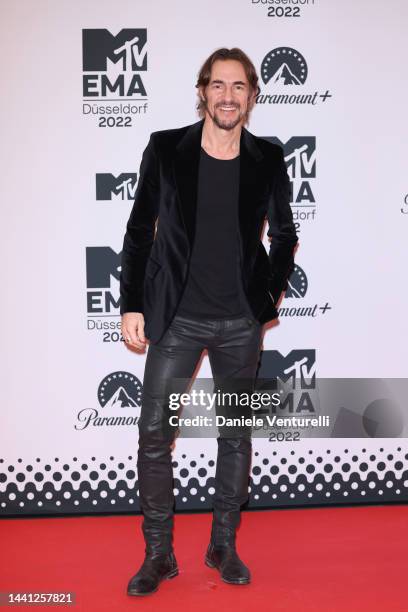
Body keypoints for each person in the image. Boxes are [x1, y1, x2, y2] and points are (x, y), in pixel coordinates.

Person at [120, 47, 298, 596]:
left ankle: (223, 543)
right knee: (154, 434)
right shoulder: (167, 150)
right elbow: (138, 229)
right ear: (202, 91)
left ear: (251, 95)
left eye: (238, 87)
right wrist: (132, 303)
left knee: (234, 435)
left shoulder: (268, 157)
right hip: (176, 319)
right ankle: (158, 554)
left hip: (239, 323)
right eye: (218, 86)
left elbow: (285, 235)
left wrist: (266, 293)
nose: (227, 96)